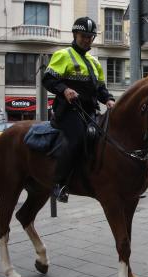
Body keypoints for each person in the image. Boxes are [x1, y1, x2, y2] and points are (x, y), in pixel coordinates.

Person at [42, 17, 116, 203]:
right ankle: (59, 184)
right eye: (83, 36)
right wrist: (65, 90)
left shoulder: (94, 62)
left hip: (89, 112)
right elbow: (48, 79)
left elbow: (100, 88)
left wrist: (109, 99)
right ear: (75, 35)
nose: (87, 40)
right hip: (68, 111)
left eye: (90, 37)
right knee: (77, 139)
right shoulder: (63, 54)